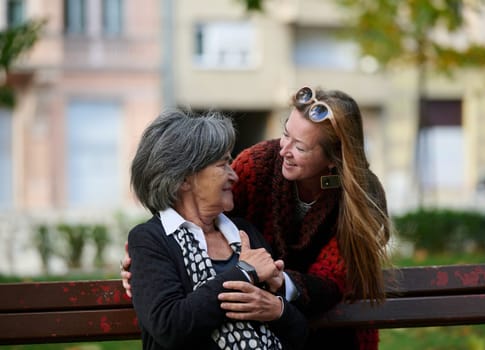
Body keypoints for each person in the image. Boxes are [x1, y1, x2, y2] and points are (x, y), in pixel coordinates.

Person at [122, 86, 392, 349]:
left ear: (332, 159)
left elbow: (330, 283)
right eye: (286, 133)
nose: (284, 149)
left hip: (330, 321)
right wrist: (146, 264)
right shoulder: (260, 166)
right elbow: (187, 208)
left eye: (300, 146)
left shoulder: (359, 198)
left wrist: (276, 294)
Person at [126, 109, 309, 350]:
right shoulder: (151, 239)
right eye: (223, 164)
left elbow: (299, 332)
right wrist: (245, 272)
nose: (234, 176)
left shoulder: (244, 233)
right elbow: (170, 326)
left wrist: (277, 310)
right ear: (183, 179)